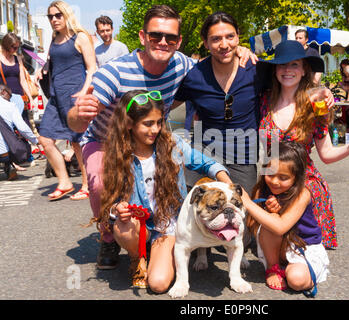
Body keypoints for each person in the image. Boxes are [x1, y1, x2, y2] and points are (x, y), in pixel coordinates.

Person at [66, 5, 255, 270]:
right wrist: (78, 112)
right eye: (155, 36)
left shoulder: (183, 65)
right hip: (105, 139)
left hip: (149, 138)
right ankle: (108, 237)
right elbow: (75, 121)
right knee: (99, 184)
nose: (162, 42)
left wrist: (240, 50)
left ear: (178, 42)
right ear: (143, 37)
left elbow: (217, 56)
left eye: (170, 38)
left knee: (163, 182)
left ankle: (163, 229)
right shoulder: (114, 72)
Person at [96, 90, 232, 291]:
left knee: (158, 284)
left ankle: (161, 252)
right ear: (129, 123)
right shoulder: (117, 154)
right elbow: (111, 200)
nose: (155, 129)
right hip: (137, 224)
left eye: (159, 122)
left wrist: (226, 183)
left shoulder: (172, 144)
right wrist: (118, 208)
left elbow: (205, 163)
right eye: (148, 124)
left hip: (166, 222)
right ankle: (137, 258)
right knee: (123, 228)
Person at [257, 40, 349, 249]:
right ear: (275, 70)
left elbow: (326, 154)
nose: (287, 70)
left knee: (296, 253)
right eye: (282, 65)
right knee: (271, 245)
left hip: (303, 181)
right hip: (272, 180)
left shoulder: (315, 106)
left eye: (294, 65)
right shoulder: (263, 101)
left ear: (303, 70)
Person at [173, 11, 262, 194]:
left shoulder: (256, 70)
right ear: (206, 43)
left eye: (230, 36)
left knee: (242, 215)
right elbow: (165, 106)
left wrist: (320, 92)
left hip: (243, 160)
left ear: (238, 36)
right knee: (194, 212)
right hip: (204, 156)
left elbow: (290, 86)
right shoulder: (195, 76)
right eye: (216, 39)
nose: (224, 45)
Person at [241, 141, 329, 292]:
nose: (275, 181)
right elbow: (251, 224)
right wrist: (269, 212)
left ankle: (301, 270)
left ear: (296, 177)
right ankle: (273, 267)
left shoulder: (303, 193)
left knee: (296, 280)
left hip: (304, 246)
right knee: (271, 221)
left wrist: (247, 203)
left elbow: (281, 227)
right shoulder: (262, 190)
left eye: (283, 177)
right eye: (270, 174)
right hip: (280, 248)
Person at [35, 1, 96, 201]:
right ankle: (65, 181)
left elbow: (92, 68)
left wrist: (84, 92)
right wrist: (41, 72)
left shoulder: (80, 37)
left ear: (66, 15)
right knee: (45, 139)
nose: (53, 20)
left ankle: (87, 185)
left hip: (75, 96)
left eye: (57, 15)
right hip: (56, 97)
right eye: (50, 16)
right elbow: (54, 64)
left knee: (78, 143)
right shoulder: (54, 39)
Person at [0, 85, 39, 181]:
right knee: (14, 141)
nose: (11, 97)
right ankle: (9, 166)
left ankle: (9, 166)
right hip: (3, 154)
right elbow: (23, 128)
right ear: (3, 92)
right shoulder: (9, 106)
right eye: (10, 95)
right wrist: (36, 141)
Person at [0, 33, 37, 117]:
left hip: (19, 99)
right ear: (6, 45)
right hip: (4, 99)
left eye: (17, 47)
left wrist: (30, 99)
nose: (16, 50)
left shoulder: (18, 59)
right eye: (14, 47)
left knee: (24, 126)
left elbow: (23, 81)